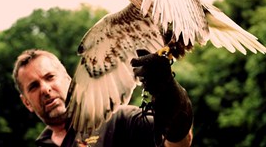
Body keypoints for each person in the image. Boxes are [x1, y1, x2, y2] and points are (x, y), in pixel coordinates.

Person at [12, 49, 193, 147]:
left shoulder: (118, 119)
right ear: (26, 102)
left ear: (68, 79)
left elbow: (179, 143)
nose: (45, 89)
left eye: (50, 77)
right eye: (33, 86)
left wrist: (167, 92)